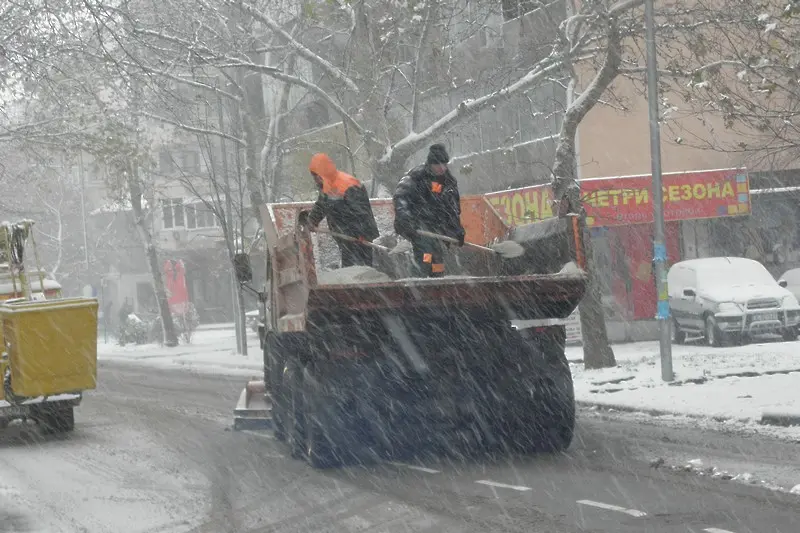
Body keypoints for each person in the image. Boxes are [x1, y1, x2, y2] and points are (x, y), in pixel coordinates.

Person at [393, 143, 466, 278]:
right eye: (438, 165)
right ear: (430, 163)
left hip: (437, 227)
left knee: (437, 258)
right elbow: (401, 198)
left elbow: (452, 209)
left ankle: (437, 283)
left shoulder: (449, 182)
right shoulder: (416, 177)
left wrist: (457, 230)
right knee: (425, 254)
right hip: (418, 224)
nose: (442, 168)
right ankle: (419, 284)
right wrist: (405, 220)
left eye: (444, 164)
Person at [303, 153, 380, 268]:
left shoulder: (348, 184)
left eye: (316, 177)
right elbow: (321, 205)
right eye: (314, 177)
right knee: (350, 269)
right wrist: (311, 222)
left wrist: (361, 234)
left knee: (361, 270)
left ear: (323, 173)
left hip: (358, 237)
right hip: (345, 237)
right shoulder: (328, 185)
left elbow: (361, 212)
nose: (316, 181)